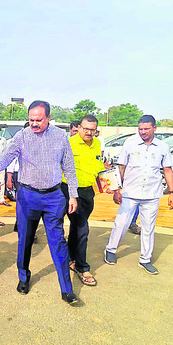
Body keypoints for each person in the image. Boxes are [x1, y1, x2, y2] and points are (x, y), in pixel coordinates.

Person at [0, 100, 80, 305]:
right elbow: (7, 155)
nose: (34, 124)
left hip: (54, 197)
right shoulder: (22, 136)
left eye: (38, 120)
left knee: (58, 242)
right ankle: (23, 276)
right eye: (31, 120)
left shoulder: (60, 137)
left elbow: (69, 167)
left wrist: (72, 194)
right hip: (28, 196)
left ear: (48, 118)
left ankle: (66, 289)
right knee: (25, 239)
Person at [104, 115, 173, 275]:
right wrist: (116, 189)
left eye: (146, 129)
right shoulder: (130, 144)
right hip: (130, 192)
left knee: (148, 228)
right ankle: (110, 250)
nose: (143, 132)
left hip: (152, 194)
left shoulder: (163, 147)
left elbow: (167, 170)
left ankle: (145, 259)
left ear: (154, 129)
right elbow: (121, 167)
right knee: (121, 223)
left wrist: (172, 192)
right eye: (140, 129)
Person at [62, 114, 104, 287]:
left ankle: (71, 258)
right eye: (85, 128)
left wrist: (106, 185)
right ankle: (82, 267)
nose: (88, 132)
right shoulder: (68, 144)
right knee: (82, 229)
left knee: (77, 227)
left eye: (92, 129)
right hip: (70, 191)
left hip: (88, 192)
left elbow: (99, 166)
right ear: (78, 127)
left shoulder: (97, 144)